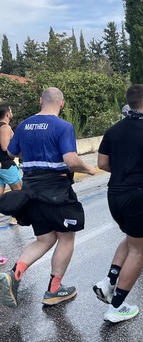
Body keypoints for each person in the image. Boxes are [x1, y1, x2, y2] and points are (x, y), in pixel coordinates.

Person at [0, 88, 96, 308]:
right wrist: (89, 168)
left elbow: (12, 152)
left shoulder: (24, 125)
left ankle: (14, 274)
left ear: (40, 100)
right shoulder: (63, 126)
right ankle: (54, 290)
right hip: (56, 190)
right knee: (66, 237)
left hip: (31, 190)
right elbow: (70, 160)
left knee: (44, 239)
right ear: (62, 104)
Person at [93, 84, 143, 323]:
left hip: (114, 194)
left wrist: (123, 171)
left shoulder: (113, 130)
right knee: (138, 250)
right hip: (139, 195)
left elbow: (102, 163)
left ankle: (109, 281)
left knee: (132, 238)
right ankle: (117, 306)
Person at [0, 104, 22, 224]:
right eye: (11, 111)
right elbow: (5, 147)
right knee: (18, 191)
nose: (12, 113)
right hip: (6, 164)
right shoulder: (5, 127)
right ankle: (15, 216)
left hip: (1, 165)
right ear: (7, 114)